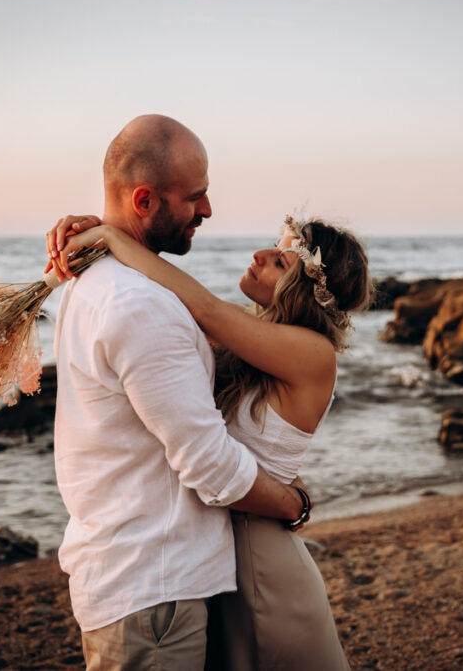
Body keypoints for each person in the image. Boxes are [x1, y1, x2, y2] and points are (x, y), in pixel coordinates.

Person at [48, 207, 373, 670]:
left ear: (306, 291)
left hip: (260, 559)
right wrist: (102, 228)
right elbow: (164, 309)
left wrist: (116, 238)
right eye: (273, 248)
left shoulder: (314, 353)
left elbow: (200, 305)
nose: (259, 255)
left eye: (280, 262)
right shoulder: (255, 338)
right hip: (213, 555)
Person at [48, 114, 309, 671]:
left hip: (141, 579)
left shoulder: (96, 281)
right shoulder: (139, 304)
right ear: (144, 200)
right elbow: (210, 466)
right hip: (154, 589)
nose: (208, 210)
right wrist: (297, 503)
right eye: (195, 197)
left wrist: (108, 236)